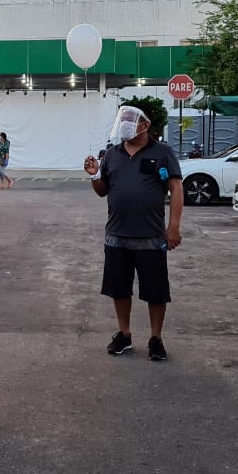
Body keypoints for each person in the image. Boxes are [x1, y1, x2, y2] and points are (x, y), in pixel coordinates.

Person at [84, 105, 183, 362]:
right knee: (119, 289)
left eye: (131, 119)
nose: (126, 123)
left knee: (156, 290)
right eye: (124, 118)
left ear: (145, 125)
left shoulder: (163, 152)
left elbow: (176, 189)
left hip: (151, 235)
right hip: (117, 234)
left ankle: (156, 338)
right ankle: (124, 334)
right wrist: (95, 174)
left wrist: (173, 226)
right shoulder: (112, 154)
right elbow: (102, 190)